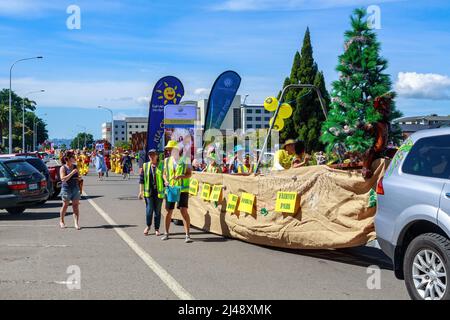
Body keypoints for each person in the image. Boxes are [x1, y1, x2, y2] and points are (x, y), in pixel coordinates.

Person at [162, 140, 193, 243]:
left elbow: (189, 174)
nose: (170, 151)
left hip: (182, 189)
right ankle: (166, 233)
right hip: (170, 188)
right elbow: (164, 174)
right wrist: (166, 181)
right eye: (168, 150)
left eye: (171, 149)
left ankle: (187, 235)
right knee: (168, 211)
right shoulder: (166, 161)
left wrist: (181, 176)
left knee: (183, 211)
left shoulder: (185, 160)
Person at [138, 149, 165, 237]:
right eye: (150, 155)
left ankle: (157, 229)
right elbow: (141, 179)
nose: (151, 156)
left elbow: (165, 178)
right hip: (148, 192)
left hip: (159, 192)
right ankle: (148, 226)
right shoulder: (145, 165)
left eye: (153, 154)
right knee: (149, 210)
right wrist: (140, 191)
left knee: (157, 211)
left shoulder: (162, 165)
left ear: (157, 155)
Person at [59, 151, 82, 230]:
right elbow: (63, 179)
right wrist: (72, 173)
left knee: (75, 206)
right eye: (72, 157)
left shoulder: (75, 166)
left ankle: (76, 223)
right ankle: (61, 221)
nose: (74, 158)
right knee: (65, 205)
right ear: (68, 159)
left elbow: (79, 177)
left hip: (75, 188)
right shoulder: (63, 168)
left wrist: (79, 178)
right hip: (66, 188)